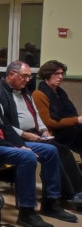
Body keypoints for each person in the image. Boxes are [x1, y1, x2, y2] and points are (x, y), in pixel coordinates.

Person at [0, 66, 78, 226]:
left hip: (5, 142)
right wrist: (18, 147)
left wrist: (20, 144)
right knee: (27, 156)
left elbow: (6, 126)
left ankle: (51, 202)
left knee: (51, 150)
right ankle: (27, 211)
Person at [0, 61, 82, 206]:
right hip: (17, 137)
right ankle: (66, 194)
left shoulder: (24, 91)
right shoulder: (0, 93)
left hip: (36, 134)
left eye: (29, 76)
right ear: (11, 74)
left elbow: (36, 115)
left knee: (62, 150)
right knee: (55, 150)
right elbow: (3, 124)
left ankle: (67, 193)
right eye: (24, 76)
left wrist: (42, 130)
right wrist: (25, 134)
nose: (28, 80)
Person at [32, 60, 82, 206]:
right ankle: (77, 190)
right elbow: (49, 123)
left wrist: (75, 121)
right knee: (65, 150)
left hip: (67, 131)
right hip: (53, 133)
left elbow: (70, 114)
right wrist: (77, 120)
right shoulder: (39, 94)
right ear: (47, 75)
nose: (60, 77)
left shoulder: (60, 92)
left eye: (62, 73)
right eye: (56, 74)